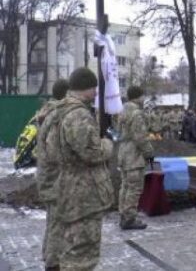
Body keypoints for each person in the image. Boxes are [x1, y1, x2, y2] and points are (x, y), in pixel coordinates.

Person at [56, 67, 115, 270]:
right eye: (94, 88)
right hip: (83, 194)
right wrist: (107, 144)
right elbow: (91, 152)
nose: (96, 93)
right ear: (85, 89)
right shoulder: (78, 115)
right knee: (82, 253)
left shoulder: (63, 109)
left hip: (73, 189)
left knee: (74, 248)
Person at [34, 79, 70, 271]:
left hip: (47, 175)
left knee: (53, 219)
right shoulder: (58, 116)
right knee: (58, 220)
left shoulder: (48, 112)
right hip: (55, 177)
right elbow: (56, 152)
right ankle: (53, 263)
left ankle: (48, 253)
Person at [117, 86, 154, 230]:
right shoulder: (136, 113)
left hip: (123, 152)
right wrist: (149, 152)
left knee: (125, 186)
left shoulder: (122, 111)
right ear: (138, 97)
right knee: (134, 188)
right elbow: (140, 137)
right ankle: (130, 218)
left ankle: (123, 214)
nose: (143, 99)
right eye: (142, 96)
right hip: (134, 154)